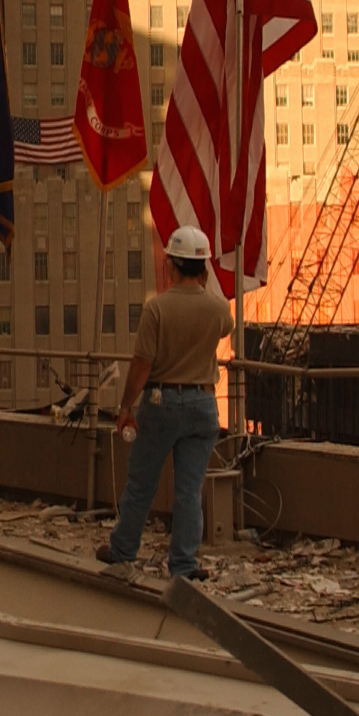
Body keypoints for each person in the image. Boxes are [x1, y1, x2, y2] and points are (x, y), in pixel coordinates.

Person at [98, 226, 234, 579]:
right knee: (189, 491)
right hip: (203, 405)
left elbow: (142, 364)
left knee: (142, 482)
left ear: (170, 266)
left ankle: (123, 549)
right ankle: (184, 564)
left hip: (162, 402)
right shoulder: (218, 310)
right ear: (203, 269)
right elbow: (224, 328)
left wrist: (126, 407)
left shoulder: (156, 309)